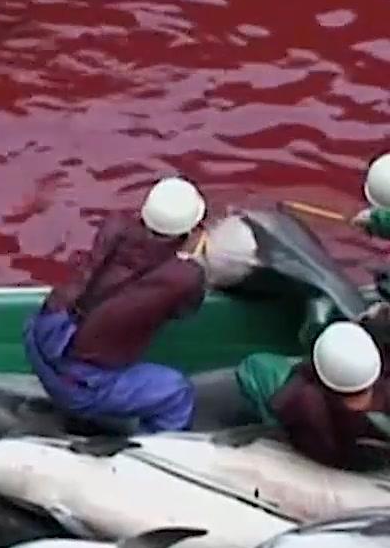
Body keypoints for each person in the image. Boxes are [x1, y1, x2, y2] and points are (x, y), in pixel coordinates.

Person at [22, 176, 209, 434]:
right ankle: (151, 457)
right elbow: (186, 309)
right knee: (177, 395)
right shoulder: (184, 276)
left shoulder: (114, 226)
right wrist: (190, 260)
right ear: (192, 230)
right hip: (77, 385)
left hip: (38, 339)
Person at [235, 322, 390, 471]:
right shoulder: (383, 397)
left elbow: (256, 371)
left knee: (255, 366)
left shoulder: (307, 403)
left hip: (331, 451)